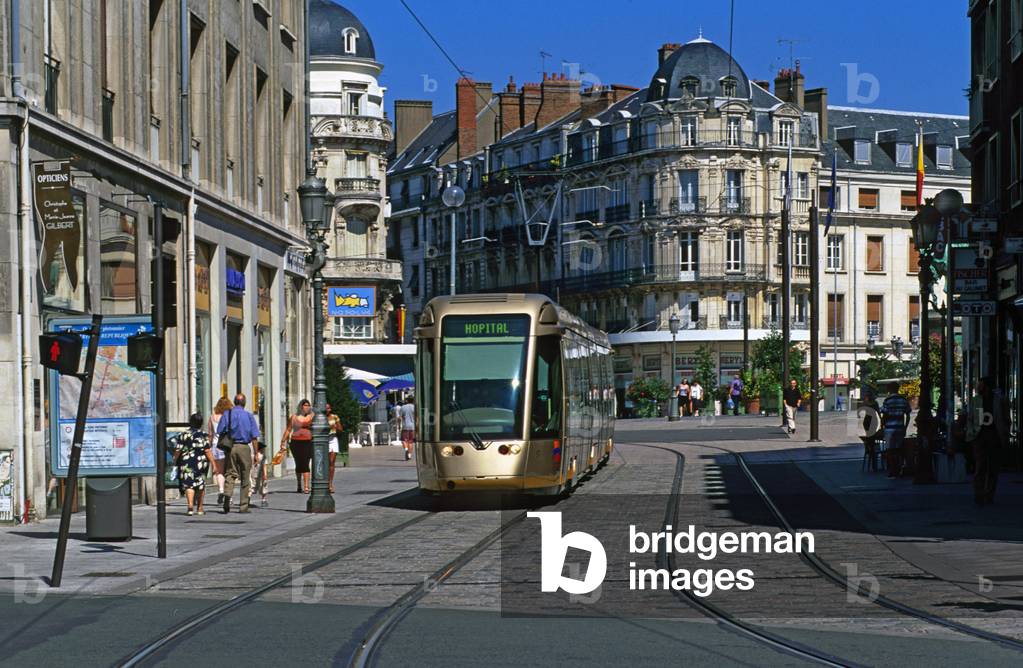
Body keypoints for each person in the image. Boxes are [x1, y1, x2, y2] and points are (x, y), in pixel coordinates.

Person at [216, 393, 261, 513]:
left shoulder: (227, 414)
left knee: (230, 473)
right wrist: (256, 453)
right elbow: (254, 436)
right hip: (244, 447)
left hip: (230, 447)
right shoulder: (249, 415)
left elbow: (219, 430)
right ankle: (243, 506)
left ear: (235, 402)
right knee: (245, 476)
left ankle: (227, 494)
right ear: (244, 403)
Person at [967, 377, 1009, 505]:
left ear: (986, 386)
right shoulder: (975, 400)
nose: (977, 387)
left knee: (992, 468)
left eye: (980, 384)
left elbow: (1005, 418)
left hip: (994, 436)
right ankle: (979, 494)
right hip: (979, 436)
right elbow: (970, 417)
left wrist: (1005, 433)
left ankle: (989, 494)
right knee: (980, 467)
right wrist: (971, 432)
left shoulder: (999, 400)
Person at [175, 412, 214, 516]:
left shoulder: (183, 435)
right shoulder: (204, 435)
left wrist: (175, 460)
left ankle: (190, 506)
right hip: (201, 463)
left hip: (186, 462)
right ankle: (200, 508)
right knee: (200, 485)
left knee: (189, 484)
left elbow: (178, 450)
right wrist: (214, 464)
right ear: (201, 423)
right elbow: (207, 451)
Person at [281, 399, 314, 493]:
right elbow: (288, 430)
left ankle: (306, 487)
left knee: (305, 464)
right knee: (299, 464)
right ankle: (299, 484)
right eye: (305, 405)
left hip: (308, 442)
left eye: (308, 405)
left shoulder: (312, 417)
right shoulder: (294, 417)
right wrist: (283, 441)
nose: (307, 407)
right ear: (301, 406)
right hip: (296, 443)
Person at [880, 382, 911, 476]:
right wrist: (905, 427)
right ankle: (899, 468)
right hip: (900, 428)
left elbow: (884, 414)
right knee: (899, 449)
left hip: (889, 428)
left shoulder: (887, 400)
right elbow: (908, 414)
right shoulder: (903, 400)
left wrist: (882, 426)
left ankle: (892, 469)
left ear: (890, 389)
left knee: (890, 450)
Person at [206, 396, 232, 505]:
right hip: (226, 445)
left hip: (215, 446)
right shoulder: (227, 417)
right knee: (229, 471)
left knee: (219, 471)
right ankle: (228, 495)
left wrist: (209, 446)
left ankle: (221, 490)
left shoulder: (212, 417)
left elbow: (210, 434)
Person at [326, 402, 341, 493]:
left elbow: (340, 429)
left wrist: (335, 426)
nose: (327, 410)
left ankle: (330, 484)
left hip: (333, 439)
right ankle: (325, 482)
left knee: (331, 462)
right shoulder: (319, 417)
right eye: (326, 408)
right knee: (325, 462)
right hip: (323, 440)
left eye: (328, 408)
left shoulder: (334, 417)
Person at [399, 396, 416, 461]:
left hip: (405, 426)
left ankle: (406, 449)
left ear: (407, 401)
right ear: (413, 401)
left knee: (404, 440)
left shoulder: (403, 407)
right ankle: (409, 455)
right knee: (411, 441)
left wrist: (399, 425)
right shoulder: (415, 407)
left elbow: (400, 417)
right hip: (413, 427)